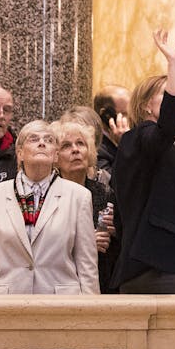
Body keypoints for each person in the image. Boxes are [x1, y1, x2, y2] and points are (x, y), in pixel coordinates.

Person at [110, 30, 175, 293]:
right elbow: (167, 128)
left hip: (150, 261)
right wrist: (173, 64)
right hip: (160, 264)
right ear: (145, 106)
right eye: (166, 94)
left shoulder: (138, 142)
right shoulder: (145, 135)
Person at [0, 119, 100, 295]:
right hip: (4, 303)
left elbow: (87, 265)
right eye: (33, 139)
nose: (41, 143)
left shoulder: (78, 196)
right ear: (20, 153)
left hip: (60, 303)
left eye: (49, 140)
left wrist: (90, 313)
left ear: (55, 155)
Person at [53, 117, 118, 293]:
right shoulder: (50, 195)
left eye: (80, 144)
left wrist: (116, 229)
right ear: (55, 157)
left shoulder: (104, 192)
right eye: (66, 146)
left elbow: (120, 244)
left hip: (103, 278)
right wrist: (86, 245)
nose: (75, 150)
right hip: (61, 284)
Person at [93, 85, 131, 179]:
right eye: (125, 113)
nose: (131, 118)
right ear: (106, 115)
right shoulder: (96, 147)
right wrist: (124, 144)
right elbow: (113, 183)